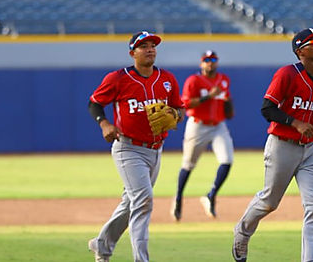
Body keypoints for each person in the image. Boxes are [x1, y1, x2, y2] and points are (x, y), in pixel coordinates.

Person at [233, 28, 313, 262]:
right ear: (300, 51)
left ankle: (310, 259)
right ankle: (243, 231)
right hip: (282, 146)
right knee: (269, 202)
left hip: (311, 150)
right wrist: (295, 122)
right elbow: (267, 108)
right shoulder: (287, 74)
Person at [86, 31, 184, 262]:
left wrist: (175, 115)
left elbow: (179, 109)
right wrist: (104, 124)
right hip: (128, 148)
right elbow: (95, 103)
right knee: (144, 201)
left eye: (152, 45)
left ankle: (101, 244)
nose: (150, 49)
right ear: (132, 53)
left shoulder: (167, 79)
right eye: (143, 46)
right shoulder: (118, 78)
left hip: (156, 149)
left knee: (131, 203)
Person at [171, 50, 236, 221]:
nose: (210, 62)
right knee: (188, 164)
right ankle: (178, 198)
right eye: (206, 60)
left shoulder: (224, 80)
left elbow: (226, 101)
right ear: (201, 63)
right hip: (197, 124)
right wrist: (209, 96)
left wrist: (229, 105)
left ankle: (211, 195)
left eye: (213, 59)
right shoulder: (194, 80)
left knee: (227, 160)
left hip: (218, 125)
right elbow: (185, 102)